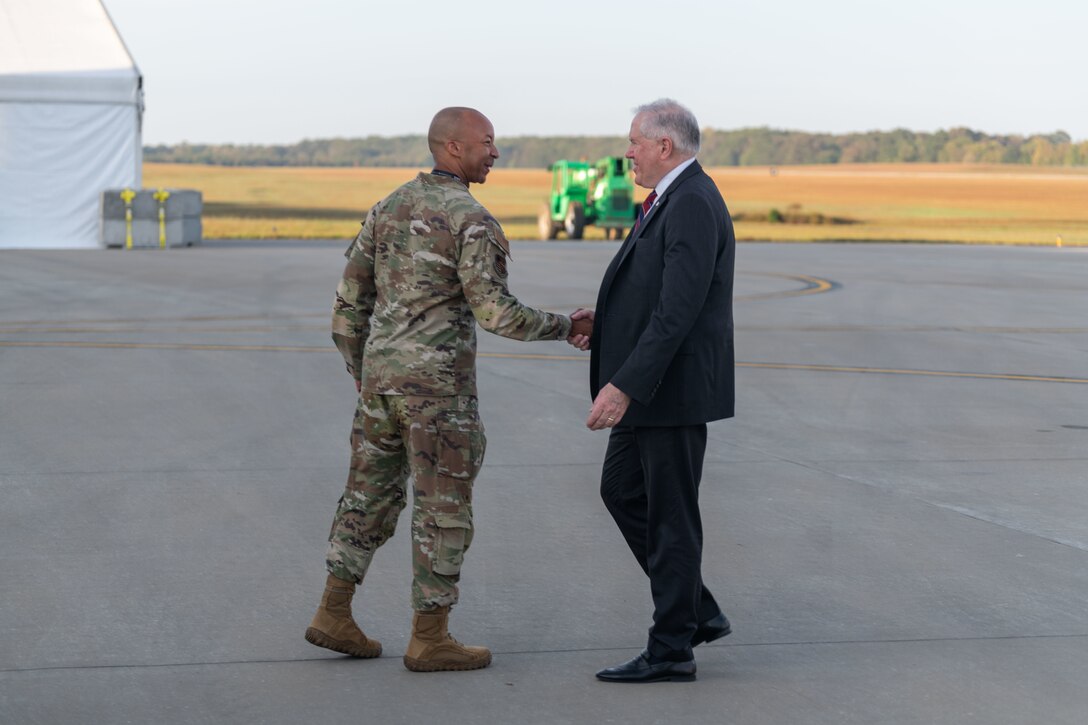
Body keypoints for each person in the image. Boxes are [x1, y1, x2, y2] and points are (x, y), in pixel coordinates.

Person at [305, 107, 592, 672]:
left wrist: (367, 373)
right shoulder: (471, 218)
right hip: (439, 399)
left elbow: (345, 312)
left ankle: (333, 611)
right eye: (488, 142)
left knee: (367, 497)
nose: (496, 152)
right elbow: (494, 312)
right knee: (443, 511)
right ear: (454, 149)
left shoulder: (386, 208)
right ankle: (429, 637)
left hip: (381, 388)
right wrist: (566, 326)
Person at [569, 99, 736, 683]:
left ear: (665, 146)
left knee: (670, 518)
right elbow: (657, 291)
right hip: (653, 389)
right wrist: (608, 318)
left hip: (668, 391)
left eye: (635, 142)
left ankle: (671, 649)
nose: (629, 153)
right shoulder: (671, 197)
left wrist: (624, 386)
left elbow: (679, 309)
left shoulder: (690, 201)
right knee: (622, 492)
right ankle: (695, 611)